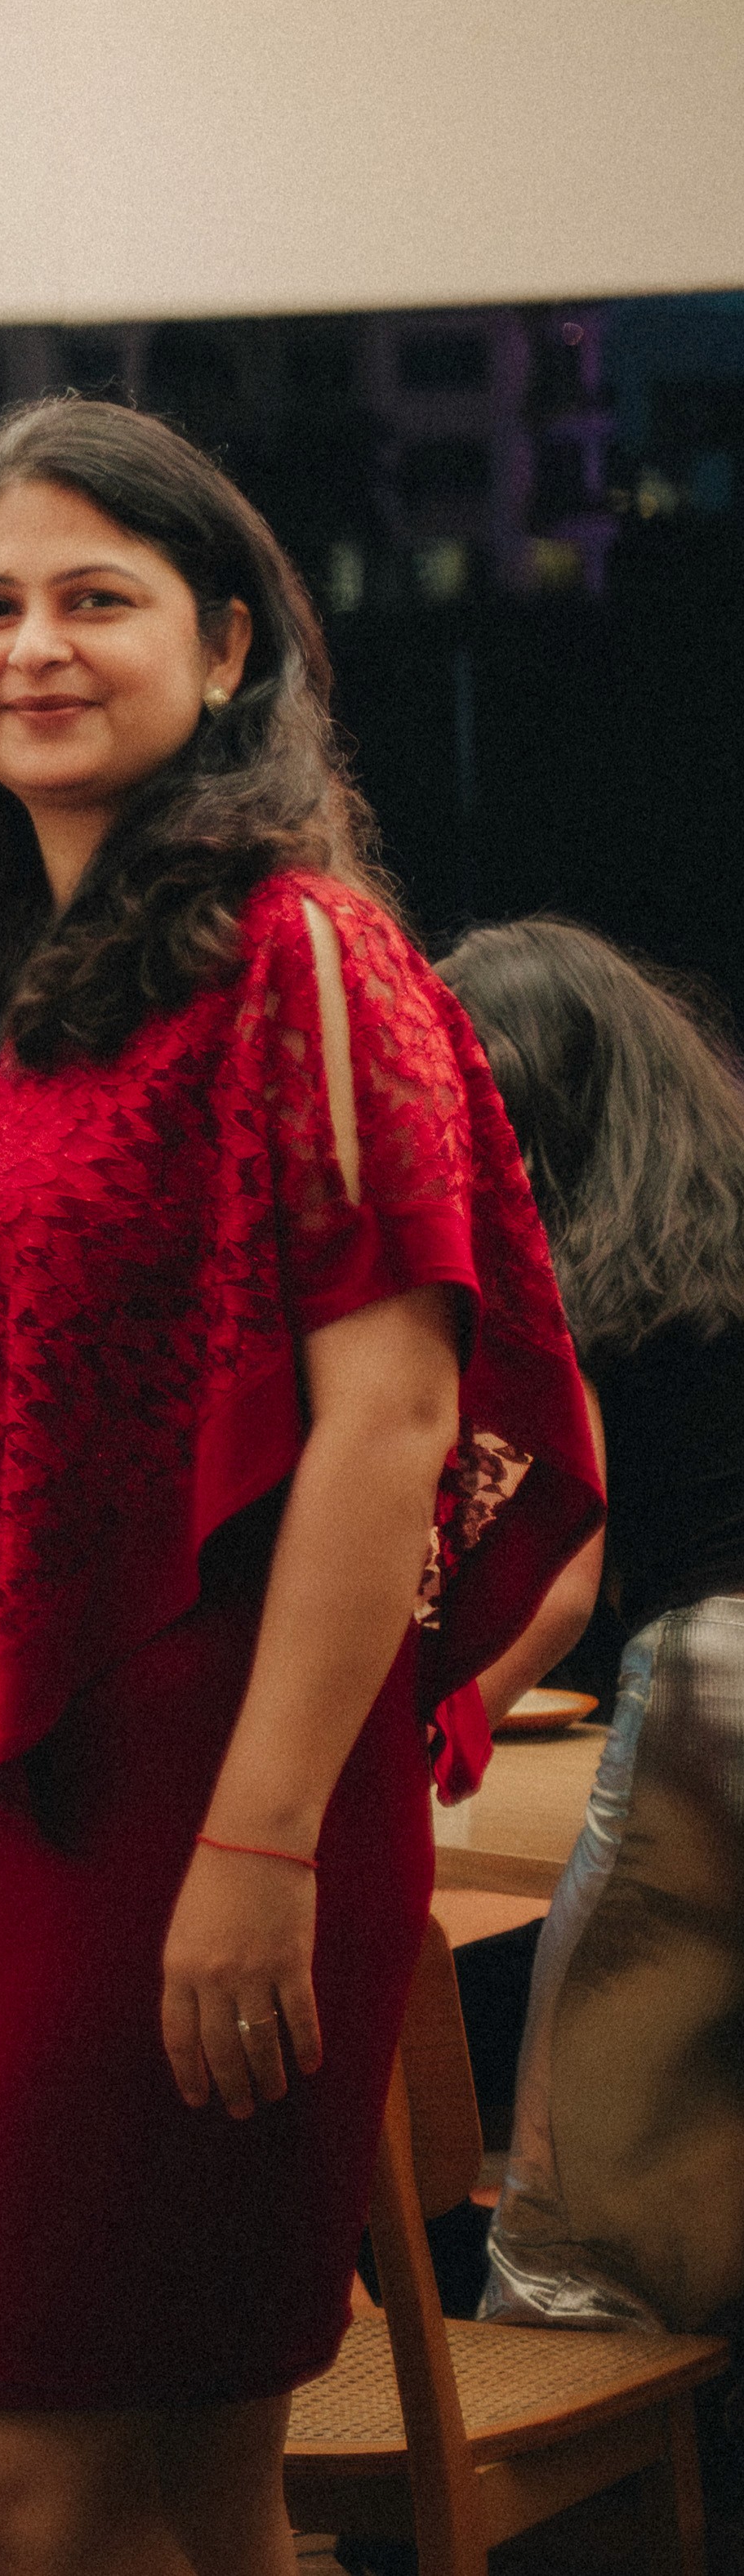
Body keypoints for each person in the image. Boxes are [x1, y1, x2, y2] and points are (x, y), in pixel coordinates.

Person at [0, 397, 597, 2576]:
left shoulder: (299, 954)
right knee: (200, 2472)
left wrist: (258, 1841)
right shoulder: (0, 1017)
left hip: (207, 1802)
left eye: (95, 596)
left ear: (228, 646)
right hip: (5, 1817)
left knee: (11, 2469)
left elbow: (398, 1424)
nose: (34, 643)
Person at [435, 918, 744, 2403]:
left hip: (723, 1668)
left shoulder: (576, 1265)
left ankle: (544, 2496)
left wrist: (425, 1733)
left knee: (589, 2169)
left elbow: (557, 1586)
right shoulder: (718, 1202)